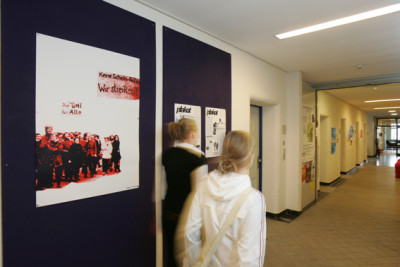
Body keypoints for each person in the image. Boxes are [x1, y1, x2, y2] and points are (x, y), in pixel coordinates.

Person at [183, 131, 266, 267]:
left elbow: (190, 233)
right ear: (251, 158)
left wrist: (192, 263)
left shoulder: (204, 185)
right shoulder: (254, 199)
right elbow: (250, 256)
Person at [162, 118, 208, 267]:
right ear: (191, 133)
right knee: (190, 258)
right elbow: (201, 194)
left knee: (171, 257)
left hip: (169, 213)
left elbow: (162, 189)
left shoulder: (166, 155)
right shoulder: (198, 157)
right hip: (189, 218)